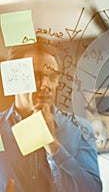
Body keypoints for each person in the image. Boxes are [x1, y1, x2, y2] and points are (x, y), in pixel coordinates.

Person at [0, 38, 102, 192]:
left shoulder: (79, 129)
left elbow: (93, 190)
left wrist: (53, 145)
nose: (45, 85)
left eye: (52, 76)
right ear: (13, 79)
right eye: (35, 76)